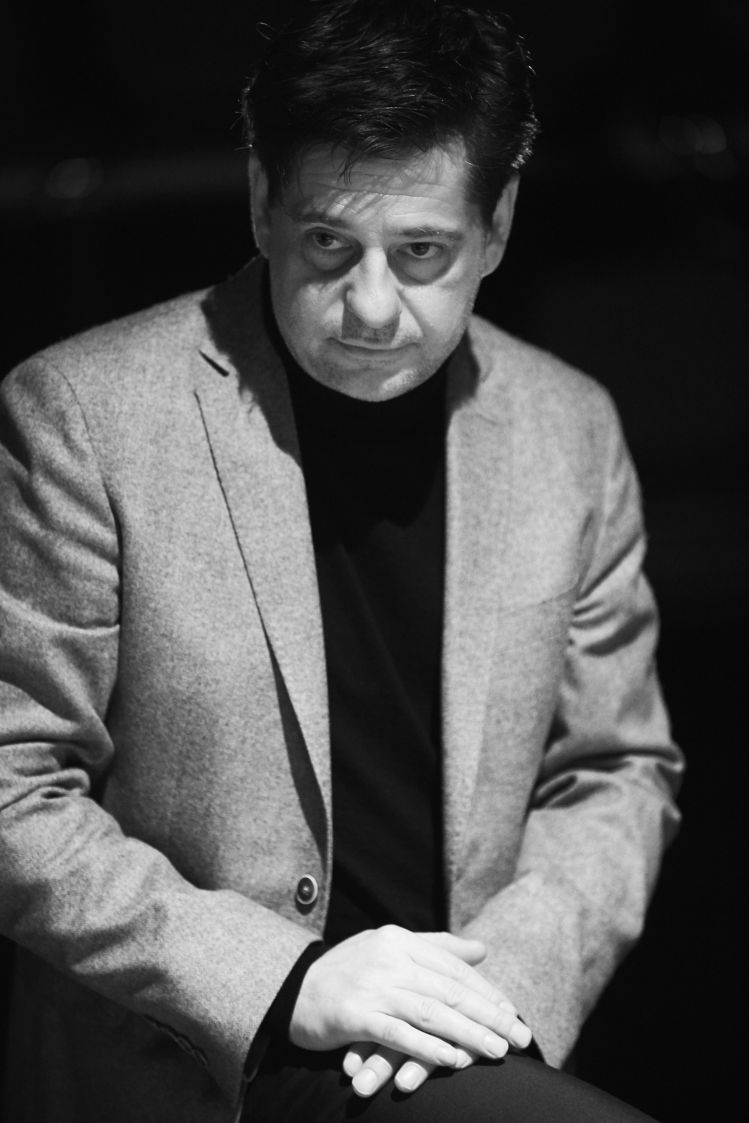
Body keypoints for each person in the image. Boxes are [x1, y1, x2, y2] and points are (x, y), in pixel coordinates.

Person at [0, 2, 683, 1120]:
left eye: (421, 253)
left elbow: (616, 769)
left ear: (497, 224)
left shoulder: (568, 427)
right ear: (261, 202)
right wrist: (283, 981)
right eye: (329, 243)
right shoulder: (82, 413)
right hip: (204, 1056)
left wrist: (492, 991)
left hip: (461, 1036)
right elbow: (13, 784)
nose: (371, 306)